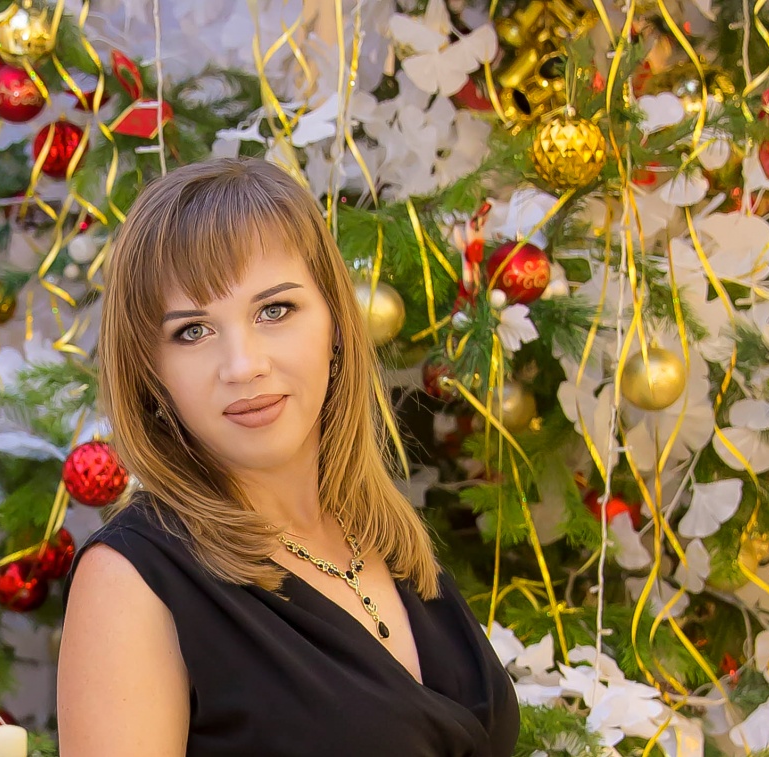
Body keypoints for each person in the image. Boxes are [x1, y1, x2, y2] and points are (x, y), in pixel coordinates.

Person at [58, 157, 519, 756]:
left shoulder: (383, 537)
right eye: (193, 331)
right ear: (152, 373)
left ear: (335, 326)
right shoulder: (131, 581)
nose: (243, 365)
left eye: (274, 311)